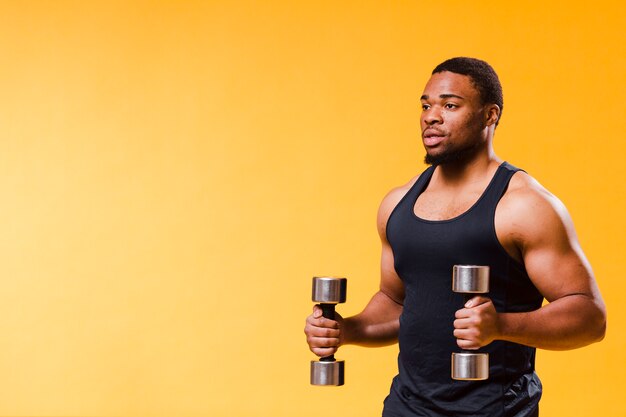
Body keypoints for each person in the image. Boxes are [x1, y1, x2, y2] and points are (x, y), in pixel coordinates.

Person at [304, 57, 606, 416]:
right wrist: (346, 330)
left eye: (450, 105)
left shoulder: (524, 206)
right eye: (426, 105)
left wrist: (500, 326)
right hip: (406, 406)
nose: (432, 116)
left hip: (494, 409)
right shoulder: (397, 204)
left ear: (490, 115)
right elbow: (396, 302)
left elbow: (589, 318)